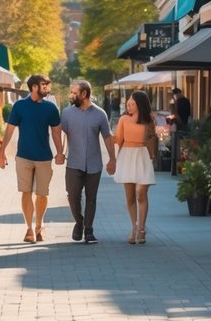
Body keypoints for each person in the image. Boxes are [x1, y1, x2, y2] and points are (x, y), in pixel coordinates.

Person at [0, 73, 62, 243]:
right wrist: (2, 152)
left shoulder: (50, 108)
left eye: (48, 84)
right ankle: (29, 228)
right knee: (26, 191)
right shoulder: (19, 106)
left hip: (44, 157)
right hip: (24, 156)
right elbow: (10, 129)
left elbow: (56, 132)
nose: (47, 87)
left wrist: (60, 152)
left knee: (42, 194)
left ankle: (39, 225)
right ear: (34, 87)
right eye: (44, 84)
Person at [56, 79, 117, 244]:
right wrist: (60, 153)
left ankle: (89, 230)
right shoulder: (67, 113)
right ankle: (79, 221)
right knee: (73, 196)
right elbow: (63, 133)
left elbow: (107, 137)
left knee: (91, 198)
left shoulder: (100, 114)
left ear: (84, 94)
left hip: (94, 164)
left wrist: (112, 158)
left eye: (74, 93)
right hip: (73, 163)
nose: (71, 96)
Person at [113, 90, 157, 244]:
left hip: (142, 156)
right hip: (126, 156)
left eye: (132, 104)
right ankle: (134, 227)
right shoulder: (124, 119)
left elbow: (152, 138)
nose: (129, 106)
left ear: (140, 104)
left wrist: (153, 155)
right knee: (130, 197)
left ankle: (142, 228)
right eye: (128, 104)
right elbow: (118, 139)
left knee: (141, 193)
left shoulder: (148, 120)